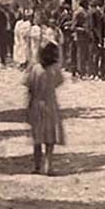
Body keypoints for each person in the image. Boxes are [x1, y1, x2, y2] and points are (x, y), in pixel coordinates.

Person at [25, 42, 65, 176]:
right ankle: (49, 164)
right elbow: (59, 82)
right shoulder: (54, 70)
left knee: (37, 136)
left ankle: (37, 165)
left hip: (36, 103)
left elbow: (29, 87)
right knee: (50, 136)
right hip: (50, 103)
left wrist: (28, 105)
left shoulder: (34, 69)